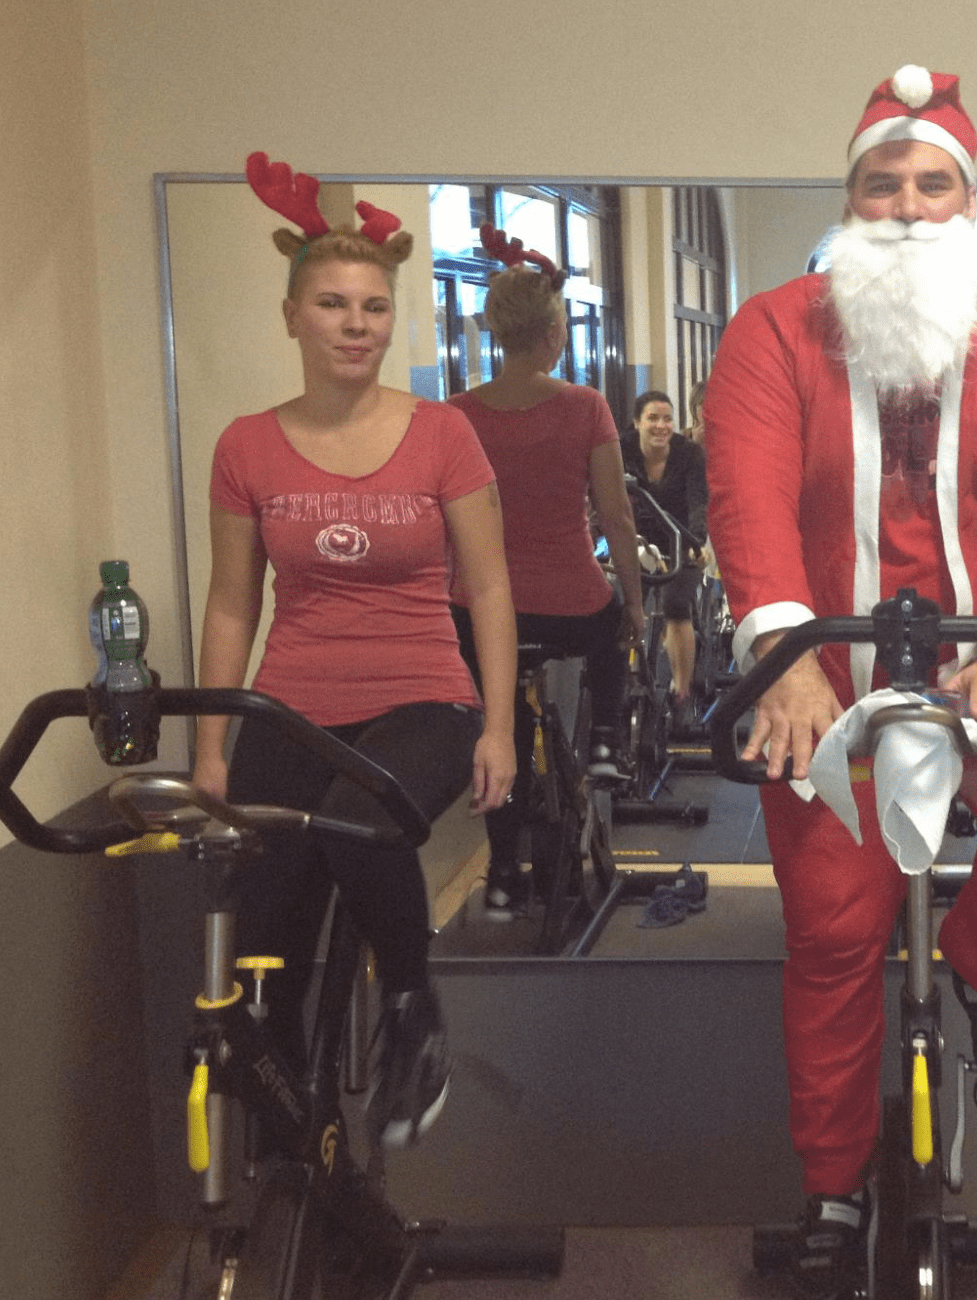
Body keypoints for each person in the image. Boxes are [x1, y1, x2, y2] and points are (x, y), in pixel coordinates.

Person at [703, 65, 977, 1299]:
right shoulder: (771, 329)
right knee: (831, 930)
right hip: (824, 670)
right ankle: (831, 1177)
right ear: (849, 200)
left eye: (934, 185)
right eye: (883, 184)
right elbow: (748, 496)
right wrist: (780, 659)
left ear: (968, 203)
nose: (909, 206)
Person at [193, 153, 518, 1148]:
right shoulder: (246, 446)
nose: (352, 324)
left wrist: (500, 726)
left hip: (420, 697)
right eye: (331, 304)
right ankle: (301, 1155)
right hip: (289, 704)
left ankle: (414, 1011)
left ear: (392, 320)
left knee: (352, 826)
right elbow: (233, 603)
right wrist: (211, 745)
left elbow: (491, 584)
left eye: (372, 307)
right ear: (291, 315)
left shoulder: (442, 435)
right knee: (267, 944)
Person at [448, 224, 645, 916]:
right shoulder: (585, 407)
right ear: (555, 335)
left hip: (477, 613)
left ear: (497, 333)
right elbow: (616, 518)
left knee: (498, 736)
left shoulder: (455, 416)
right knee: (612, 626)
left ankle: (503, 877)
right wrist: (639, 605)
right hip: (570, 607)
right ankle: (601, 742)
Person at [619, 389, 708, 727]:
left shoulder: (689, 455)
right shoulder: (620, 452)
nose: (661, 425)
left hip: (680, 538)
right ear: (637, 423)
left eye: (667, 418)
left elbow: (698, 501)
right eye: (652, 418)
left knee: (675, 605)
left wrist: (696, 542)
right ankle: (626, 682)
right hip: (637, 540)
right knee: (624, 604)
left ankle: (681, 694)